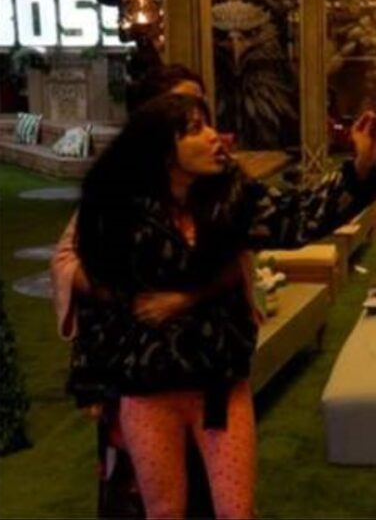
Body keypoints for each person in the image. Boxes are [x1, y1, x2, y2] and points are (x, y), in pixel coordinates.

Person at [66, 94, 376, 518]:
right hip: (147, 392)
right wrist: (90, 383)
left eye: (210, 124)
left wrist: (359, 169)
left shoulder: (233, 198)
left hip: (219, 385)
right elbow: (95, 304)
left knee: (236, 510)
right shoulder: (118, 214)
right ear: (164, 150)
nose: (215, 137)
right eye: (196, 129)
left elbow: (297, 216)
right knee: (163, 512)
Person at [51, 64, 237, 518]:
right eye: (182, 112)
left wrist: (187, 297)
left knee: (219, 491)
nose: (199, 122)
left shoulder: (218, 185)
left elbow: (237, 261)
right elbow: (68, 261)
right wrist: (128, 297)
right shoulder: (118, 191)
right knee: (141, 493)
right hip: (136, 370)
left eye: (201, 110)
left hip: (207, 366)